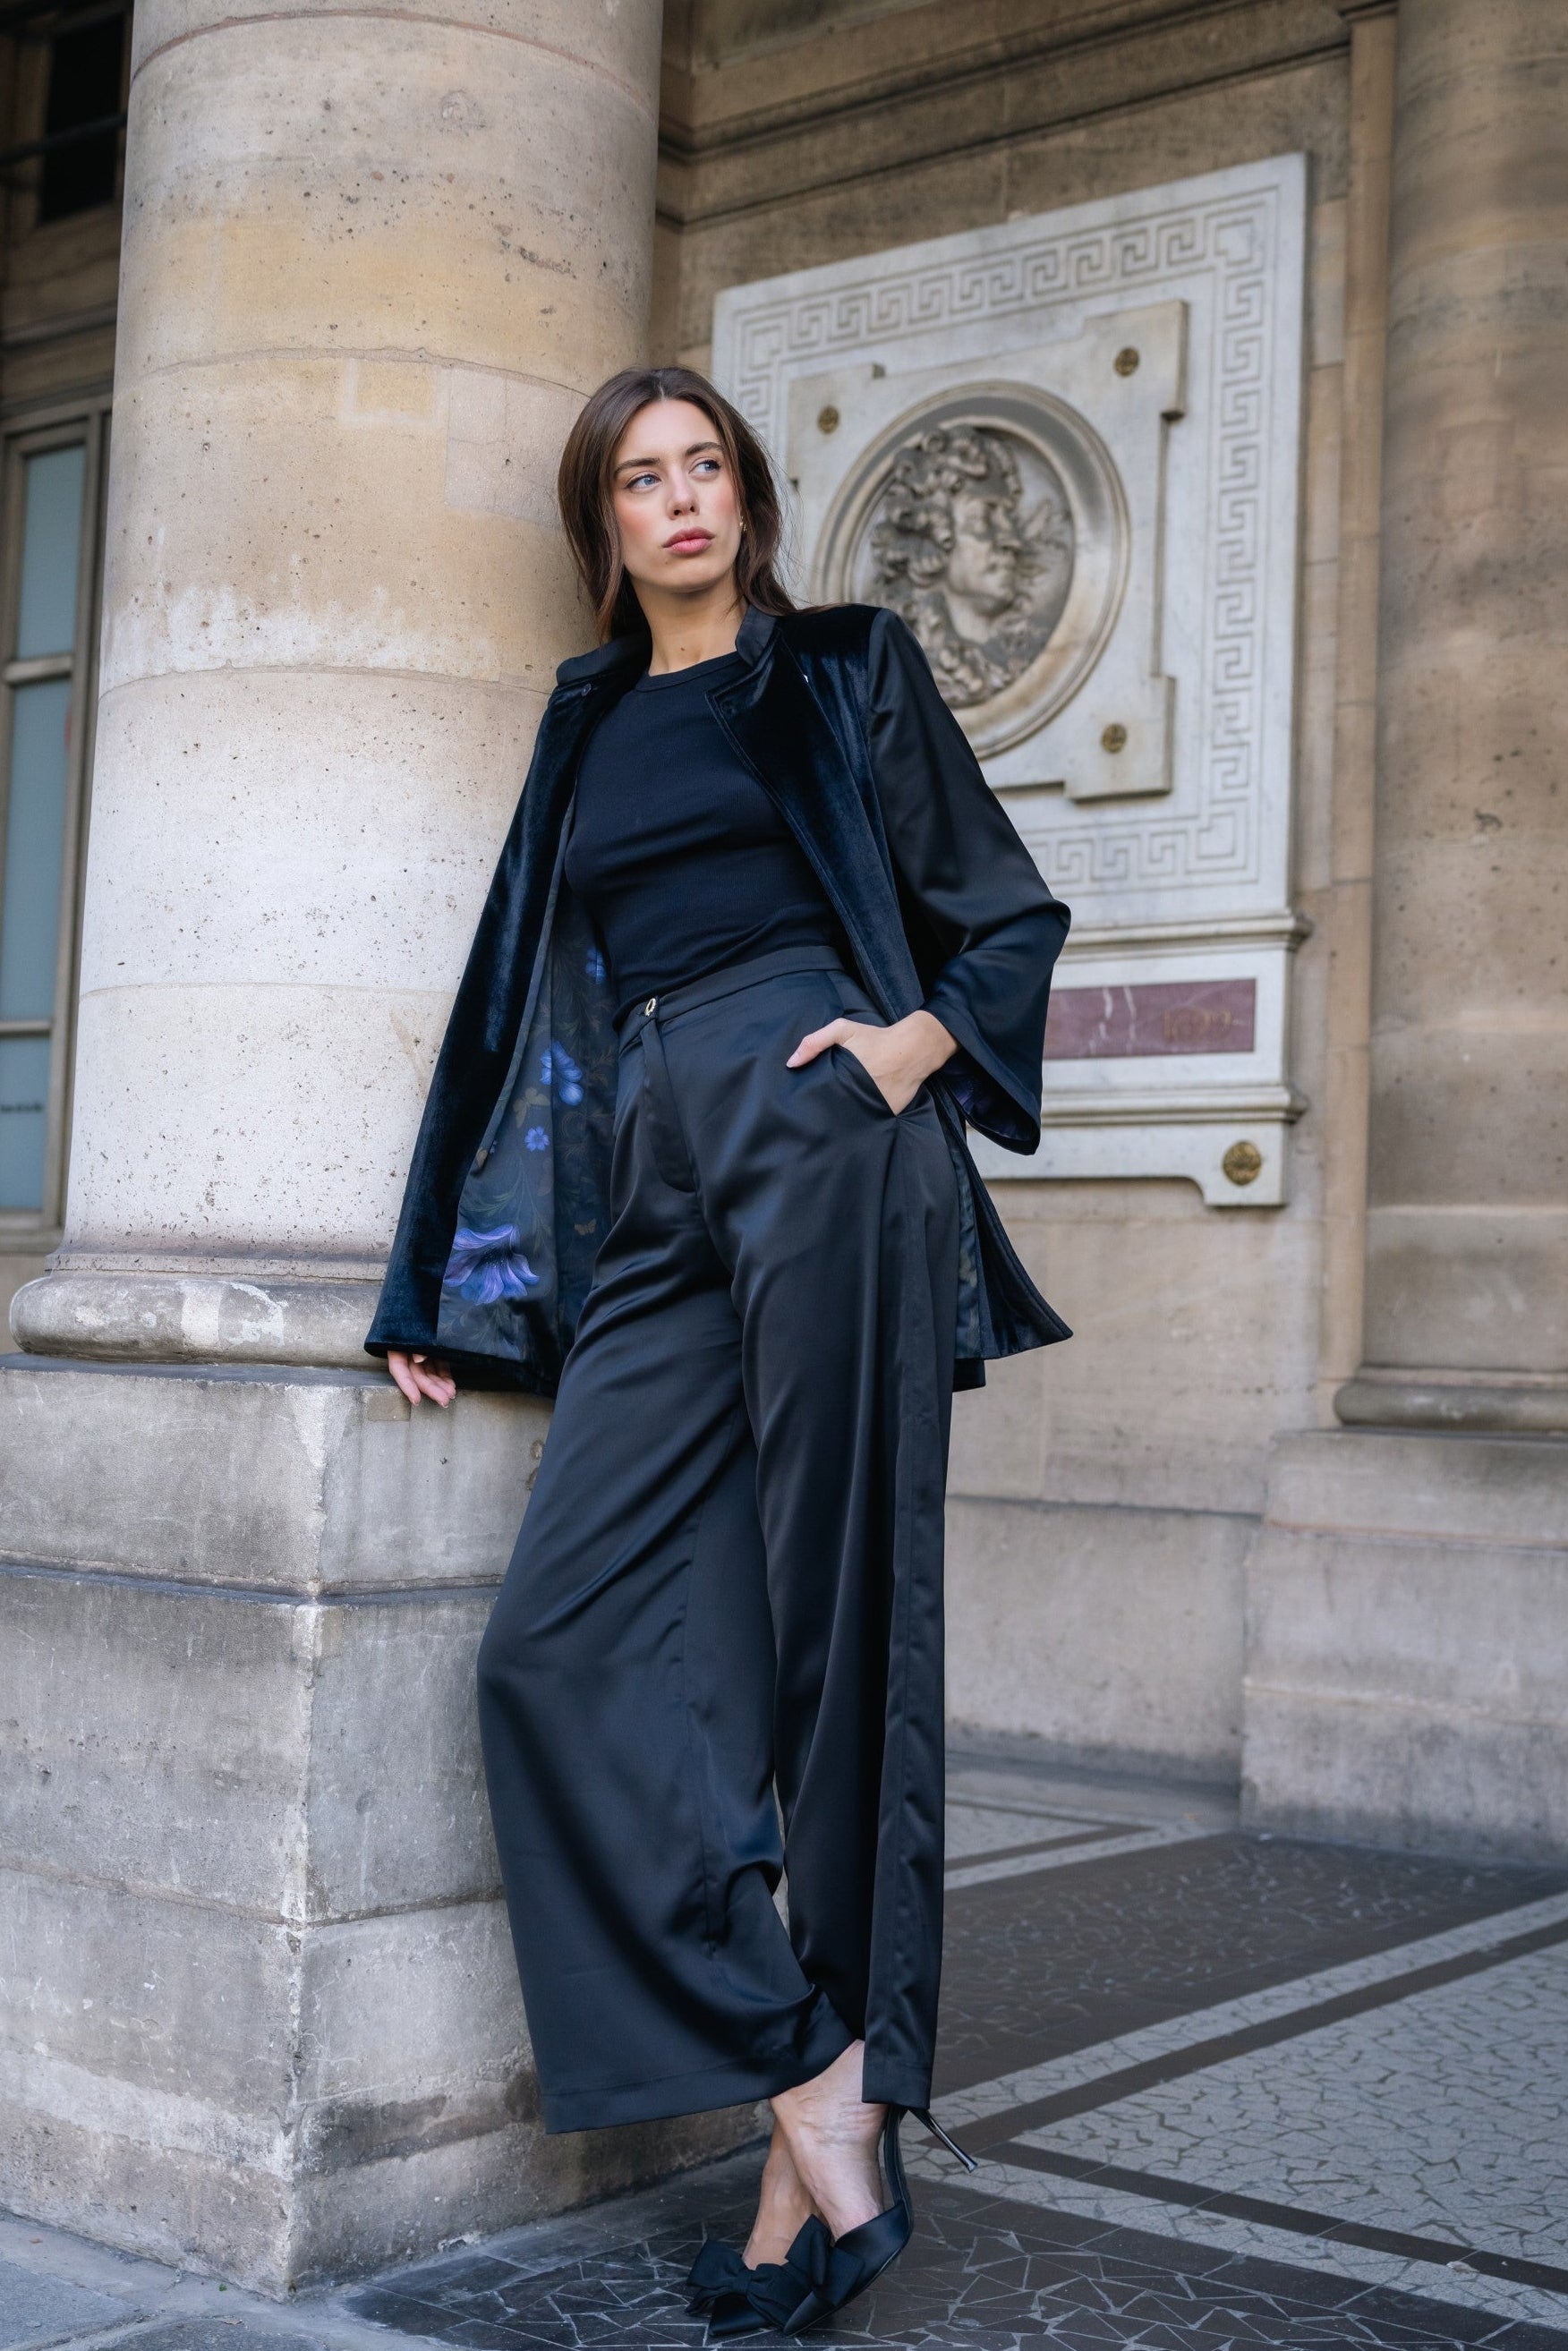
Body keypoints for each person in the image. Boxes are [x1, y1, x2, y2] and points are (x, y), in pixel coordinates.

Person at [364, 365, 1071, 2338]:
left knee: (841, 1639)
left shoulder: (843, 668)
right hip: (649, 1168)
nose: (679, 502)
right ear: (602, 525)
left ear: (748, 500)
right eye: (638, 479)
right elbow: (512, 999)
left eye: (705, 470)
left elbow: (1002, 919)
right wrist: (446, 1282)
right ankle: (811, 2074)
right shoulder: (584, 716)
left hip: (823, 1117)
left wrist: (911, 1055)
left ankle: (805, 2177)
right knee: (555, 1648)